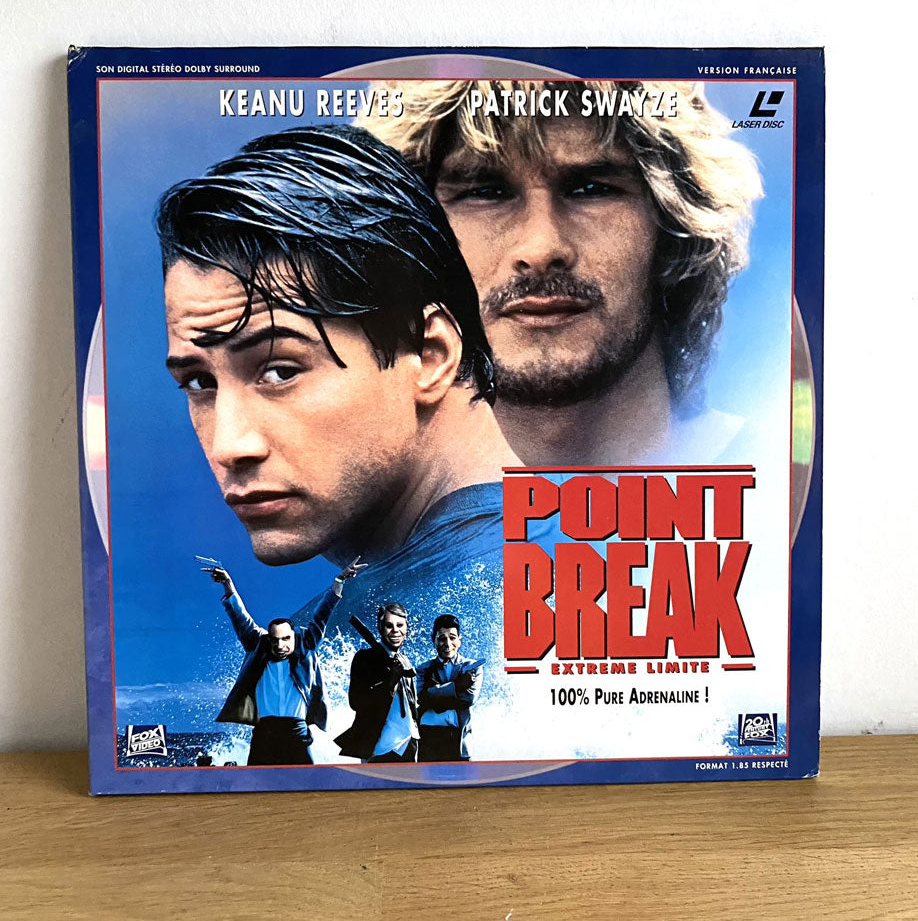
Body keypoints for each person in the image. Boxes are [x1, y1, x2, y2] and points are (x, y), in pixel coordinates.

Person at [157, 125, 519, 697]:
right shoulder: (611, 561)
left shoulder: (335, 650)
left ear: (430, 356)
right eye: (200, 382)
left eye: (280, 370)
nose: (229, 446)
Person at [359, 80, 764, 464]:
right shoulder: (353, 504)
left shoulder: (774, 471)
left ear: (675, 229)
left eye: (591, 189)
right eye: (485, 192)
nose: (541, 249)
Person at [202, 556, 366, 765]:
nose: (280, 645)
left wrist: (339, 581)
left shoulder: (305, 644)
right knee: (256, 782)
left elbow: (322, 614)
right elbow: (240, 616)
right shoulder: (258, 645)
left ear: (294, 637)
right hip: (265, 732)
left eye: (286, 639)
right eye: (275, 640)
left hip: (297, 730)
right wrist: (227, 584)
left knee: (307, 782)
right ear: (268, 639)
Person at [335, 603, 419, 763]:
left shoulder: (404, 660)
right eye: (389, 625)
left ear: (407, 628)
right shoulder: (364, 658)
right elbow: (356, 702)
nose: (395, 630)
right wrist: (390, 682)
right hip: (379, 747)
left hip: (409, 744)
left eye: (400, 625)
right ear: (380, 627)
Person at [416, 614, 482, 762]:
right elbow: (422, 698)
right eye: (442, 638)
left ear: (459, 639)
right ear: (433, 640)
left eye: (452, 638)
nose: (447, 643)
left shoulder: (473, 667)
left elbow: (468, 699)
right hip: (428, 739)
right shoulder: (423, 669)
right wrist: (457, 686)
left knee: (461, 777)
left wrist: (434, 698)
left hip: (459, 740)